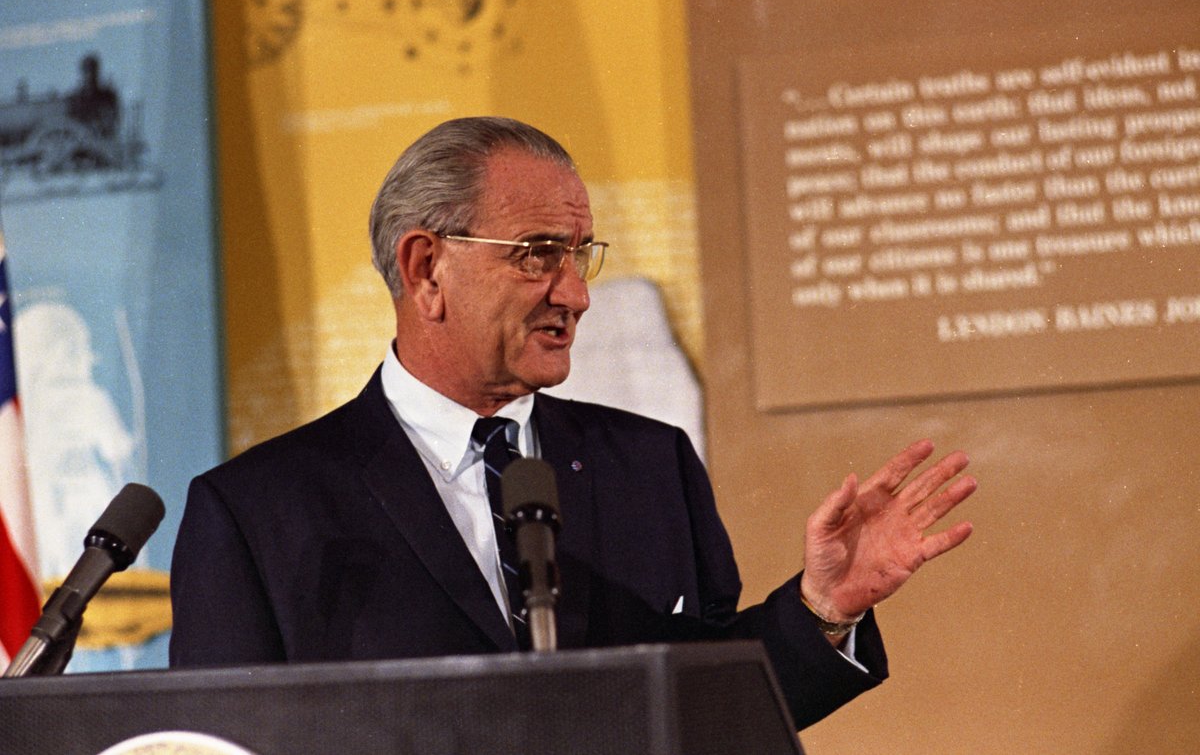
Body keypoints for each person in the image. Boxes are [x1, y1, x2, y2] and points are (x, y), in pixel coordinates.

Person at [169, 116, 976, 729]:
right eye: (538, 253)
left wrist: (821, 608)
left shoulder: (649, 463)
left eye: (581, 253)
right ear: (426, 269)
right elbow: (216, 743)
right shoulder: (256, 511)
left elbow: (710, 712)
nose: (576, 293)